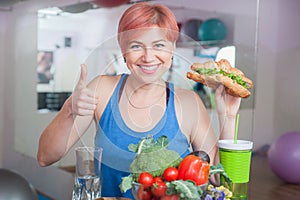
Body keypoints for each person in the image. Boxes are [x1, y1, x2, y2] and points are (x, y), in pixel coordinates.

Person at [37, 2, 241, 198]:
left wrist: (228, 117)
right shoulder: (102, 90)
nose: (148, 57)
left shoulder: (189, 102)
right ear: (123, 50)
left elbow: (218, 179)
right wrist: (69, 110)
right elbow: (45, 157)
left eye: (159, 45)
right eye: (136, 46)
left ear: (172, 50)